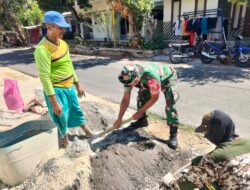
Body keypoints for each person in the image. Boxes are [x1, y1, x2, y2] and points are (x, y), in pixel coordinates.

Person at [34, 11, 93, 148]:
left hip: (69, 87)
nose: (64, 30)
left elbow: (69, 65)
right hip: (56, 90)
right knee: (62, 116)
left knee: (75, 109)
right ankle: (64, 140)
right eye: (60, 27)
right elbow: (44, 77)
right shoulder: (42, 49)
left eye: (64, 27)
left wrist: (77, 83)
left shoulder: (63, 44)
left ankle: (87, 131)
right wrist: (54, 102)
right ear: (49, 27)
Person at [162, 109, 250, 190]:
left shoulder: (216, 157)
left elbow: (185, 185)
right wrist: (204, 162)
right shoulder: (247, 142)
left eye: (206, 131)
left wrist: (170, 182)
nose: (205, 135)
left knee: (206, 186)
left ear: (217, 131)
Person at [113, 62, 180, 149]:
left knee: (170, 103)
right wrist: (119, 119)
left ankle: (173, 133)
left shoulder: (151, 77)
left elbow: (154, 98)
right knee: (141, 97)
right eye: (129, 83)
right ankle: (142, 121)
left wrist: (140, 112)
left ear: (137, 76)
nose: (131, 85)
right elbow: (125, 99)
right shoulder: (127, 77)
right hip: (145, 81)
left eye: (132, 83)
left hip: (167, 78)